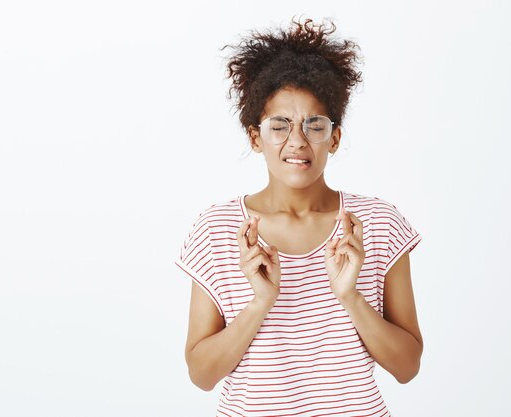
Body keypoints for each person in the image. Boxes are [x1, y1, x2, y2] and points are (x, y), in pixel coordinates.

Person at [174, 16, 423, 417]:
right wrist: (260, 302)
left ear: (335, 138)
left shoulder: (377, 224)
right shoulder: (218, 231)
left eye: (314, 125)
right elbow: (201, 375)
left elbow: (407, 366)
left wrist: (350, 296)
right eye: (280, 125)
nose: (297, 141)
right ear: (256, 137)